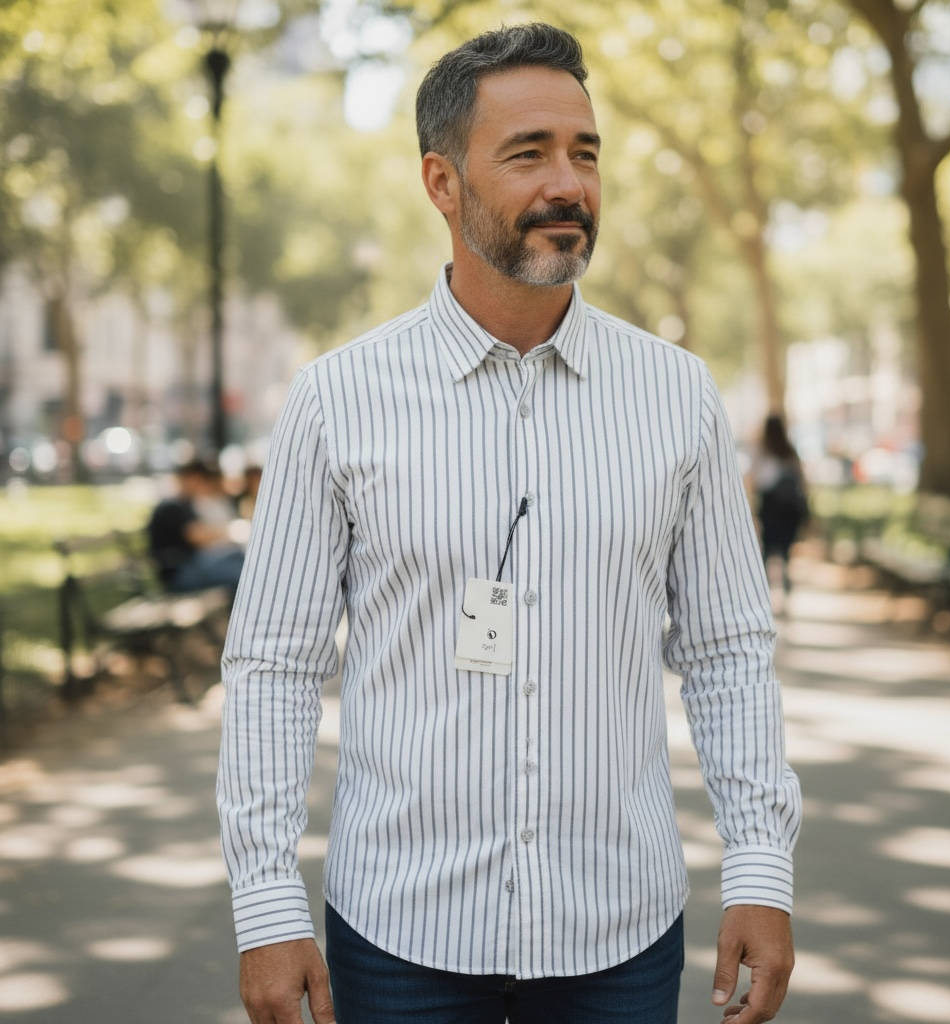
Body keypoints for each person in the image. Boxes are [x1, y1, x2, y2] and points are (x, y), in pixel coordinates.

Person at [217, 23, 800, 1024]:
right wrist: (266, 904)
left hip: (618, 924)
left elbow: (726, 648)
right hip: (400, 927)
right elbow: (273, 663)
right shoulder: (335, 399)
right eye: (528, 154)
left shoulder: (678, 395)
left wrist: (759, 863)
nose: (566, 182)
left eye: (584, 152)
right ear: (442, 184)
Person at [146, 459, 245, 596]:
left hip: (193, 565)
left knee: (241, 560)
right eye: (200, 480)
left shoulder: (184, 504)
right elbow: (197, 538)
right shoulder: (172, 506)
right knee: (240, 574)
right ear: (190, 478)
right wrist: (231, 531)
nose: (202, 485)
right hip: (180, 572)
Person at [750, 415, 809, 600]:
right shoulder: (789, 452)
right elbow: (801, 481)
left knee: (768, 551)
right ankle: (784, 584)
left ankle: (764, 592)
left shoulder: (763, 453)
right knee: (784, 551)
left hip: (770, 510)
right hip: (789, 513)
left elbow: (757, 481)